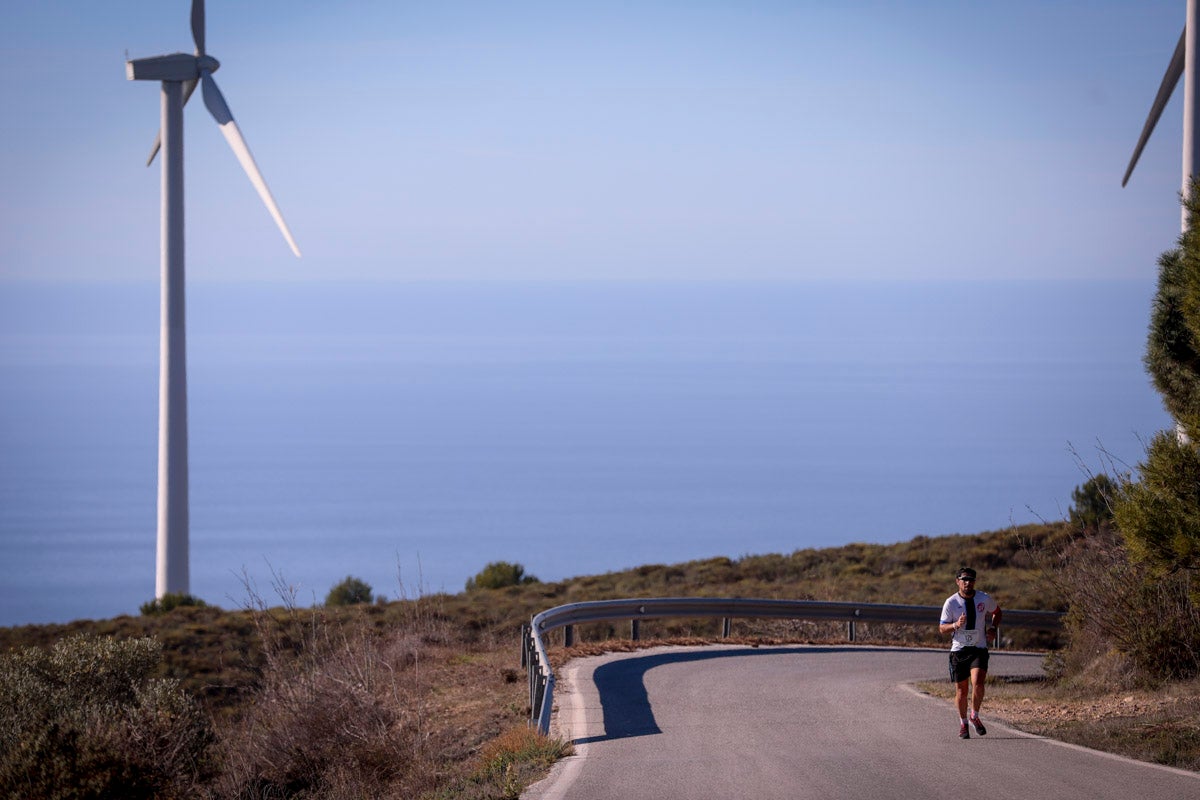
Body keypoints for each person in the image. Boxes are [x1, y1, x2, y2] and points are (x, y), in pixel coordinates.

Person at [938, 566, 1001, 739]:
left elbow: (997, 612)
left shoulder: (983, 598)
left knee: (978, 683)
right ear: (957, 581)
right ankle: (963, 723)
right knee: (961, 691)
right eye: (964, 580)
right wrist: (956, 625)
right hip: (959, 650)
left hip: (978, 648)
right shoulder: (951, 603)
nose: (968, 583)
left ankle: (974, 715)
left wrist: (993, 628)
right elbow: (942, 628)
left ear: (975, 582)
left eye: (971, 580)